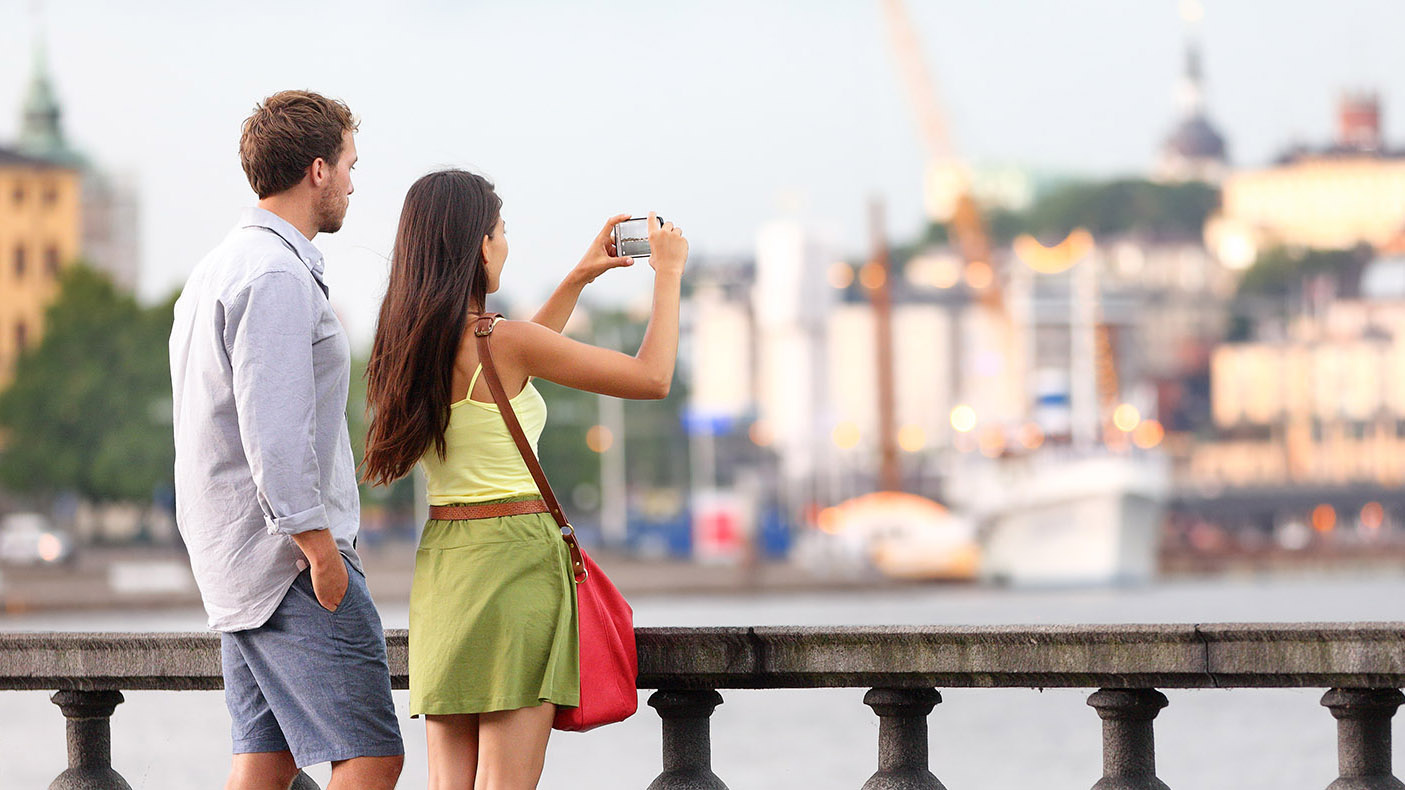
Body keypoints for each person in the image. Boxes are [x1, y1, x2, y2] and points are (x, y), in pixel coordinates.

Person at [361, 169, 687, 789]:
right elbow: (653, 378)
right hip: (516, 565)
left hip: (446, 571)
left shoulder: (406, 346)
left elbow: (511, 362)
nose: (505, 245)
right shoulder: (502, 341)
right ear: (481, 246)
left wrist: (579, 277)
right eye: (502, 232)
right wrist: (667, 274)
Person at [169, 90, 404, 790]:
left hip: (239, 560)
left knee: (264, 765)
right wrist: (319, 549)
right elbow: (273, 431)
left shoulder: (216, 268)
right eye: (350, 165)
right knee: (370, 754)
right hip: (289, 563)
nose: (355, 184)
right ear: (318, 170)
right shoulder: (273, 274)